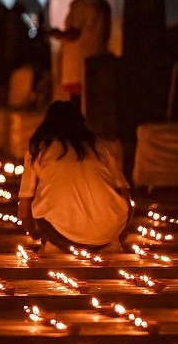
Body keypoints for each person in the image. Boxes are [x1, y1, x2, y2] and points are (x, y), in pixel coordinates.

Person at [17, 100, 132, 251]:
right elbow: (126, 198)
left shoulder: (40, 149)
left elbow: (24, 211)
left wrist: (35, 234)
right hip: (108, 234)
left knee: (41, 199)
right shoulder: (102, 147)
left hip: (61, 235)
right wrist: (118, 232)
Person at [49, 0, 111, 104]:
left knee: (79, 107)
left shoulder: (81, 4)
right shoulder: (101, 2)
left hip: (78, 66)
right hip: (96, 62)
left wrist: (55, 33)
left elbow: (73, 34)